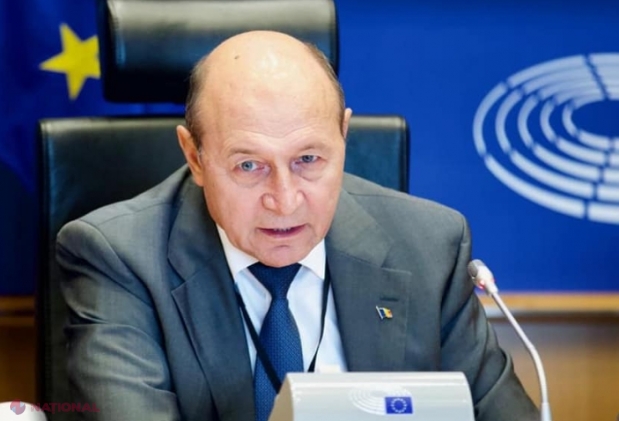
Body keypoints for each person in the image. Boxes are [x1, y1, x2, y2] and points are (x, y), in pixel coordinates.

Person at [57, 30, 539, 421]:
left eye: (308, 159)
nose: (284, 200)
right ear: (195, 157)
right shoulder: (119, 258)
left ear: (343, 136)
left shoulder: (431, 247)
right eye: (249, 166)